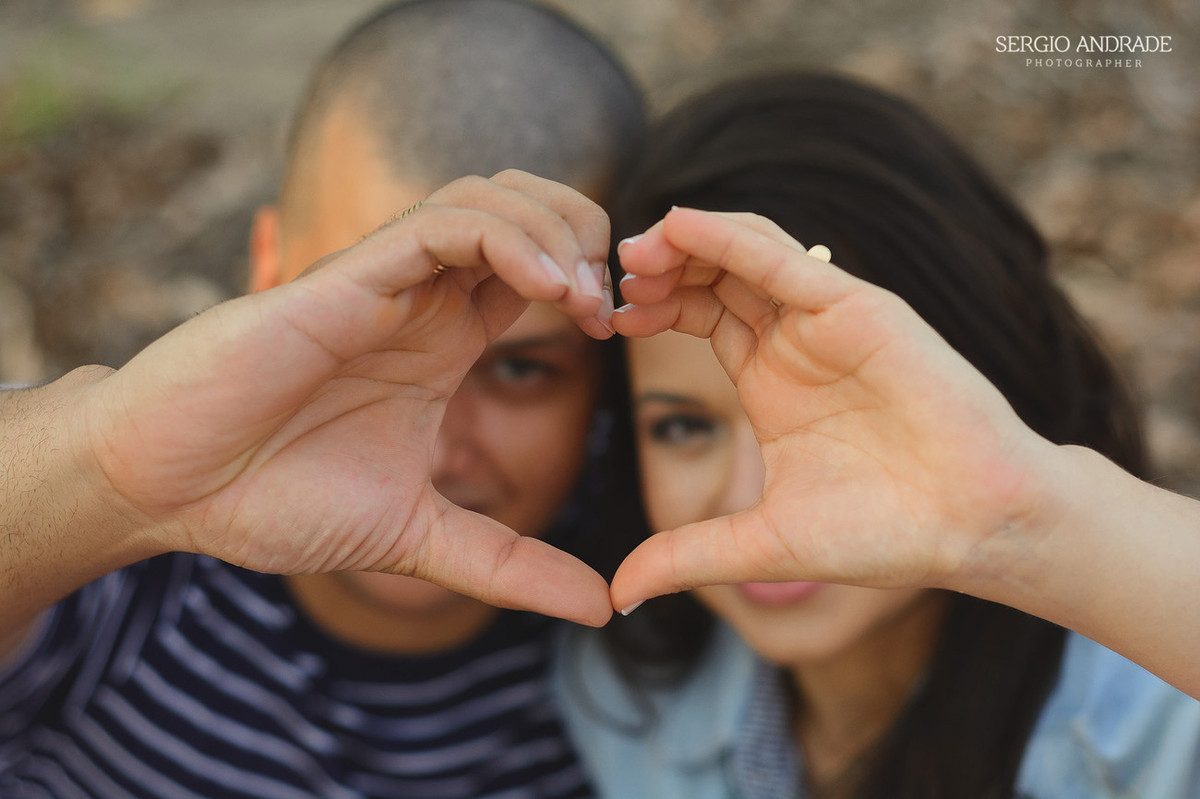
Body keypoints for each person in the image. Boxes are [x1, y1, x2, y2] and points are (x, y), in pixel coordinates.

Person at [0, 1, 643, 796]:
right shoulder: (112, 548)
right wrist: (111, 478)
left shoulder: (665, 588)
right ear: (267, 268)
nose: (431, 449)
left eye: (522, 372)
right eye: (370, 342)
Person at [554, 72, 1200, 798]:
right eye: (682, 426)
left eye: (832, 414)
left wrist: (1025, 514)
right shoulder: (624, 700)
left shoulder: (1157, 715)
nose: (755, 493)